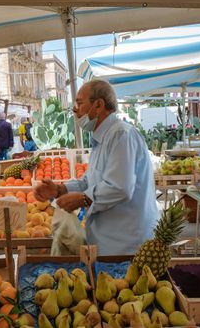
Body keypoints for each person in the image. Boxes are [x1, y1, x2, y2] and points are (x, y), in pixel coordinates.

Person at [34, 80, 159, 256]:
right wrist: (60, 189)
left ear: (98, 105)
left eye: (79, 102)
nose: (75, 109)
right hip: (108, 241)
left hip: (127, 243)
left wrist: (83, 199)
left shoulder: (121, 135)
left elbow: (120, 187)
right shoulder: (102, 138)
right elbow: (89, 180)